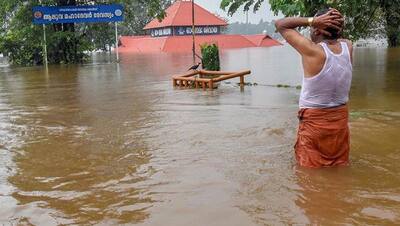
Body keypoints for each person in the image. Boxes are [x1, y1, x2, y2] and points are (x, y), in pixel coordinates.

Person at [275, 9, 353, 168]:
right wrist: (334, 23)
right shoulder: (348, 47)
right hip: (340, 123)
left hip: (315, 124)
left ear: (318, 29)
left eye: (311, 29)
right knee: (338, 166)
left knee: (307, 174)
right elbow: (338, 38)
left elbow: (281, 25)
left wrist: (312, 21)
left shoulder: (313, 51)